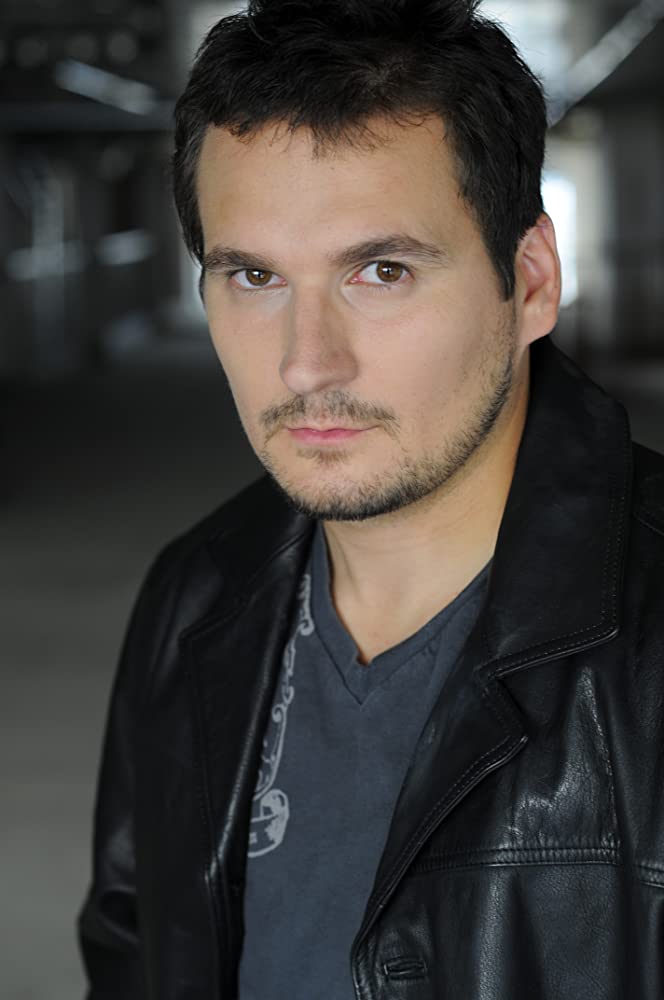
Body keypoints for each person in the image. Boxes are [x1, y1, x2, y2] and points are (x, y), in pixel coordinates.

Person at [78, 0, 664, 997]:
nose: (307, 363)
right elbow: (132, 949)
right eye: (254, 276)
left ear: (529, 281)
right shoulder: (192, 599)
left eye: (381, 271)